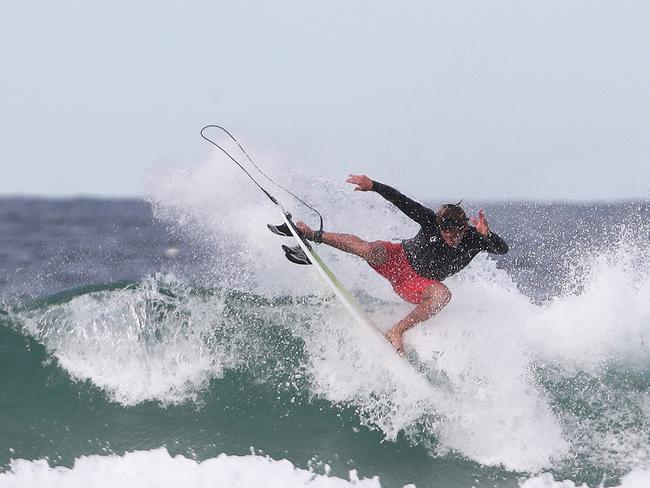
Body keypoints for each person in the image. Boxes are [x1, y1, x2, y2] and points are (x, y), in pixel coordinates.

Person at [296, 174, 508, 355]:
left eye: (455, 235)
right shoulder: (430, 221)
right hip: (398, 259)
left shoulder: (475, 238)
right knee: (371, 249)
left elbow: (502, 249)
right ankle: (313, 234)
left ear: (464, 228)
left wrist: (487, 234)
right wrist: (373, 185)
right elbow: (402, 201)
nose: (450, 239)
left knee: (443, 296)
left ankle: (397, 330)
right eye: (445, 234)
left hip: (417, 284)